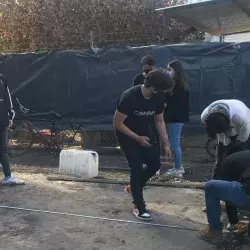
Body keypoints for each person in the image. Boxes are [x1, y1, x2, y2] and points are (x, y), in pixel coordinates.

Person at [114, 68, 173, 221]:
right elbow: (118, 123)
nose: (164, 92)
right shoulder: (129, 97)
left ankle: (133, 188)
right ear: (153, 86)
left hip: (147, 134)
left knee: (154, 165)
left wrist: (166, 144)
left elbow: (159, 120)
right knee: (137, 167)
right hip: (127, 135)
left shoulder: (159, 97)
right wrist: (137, 138)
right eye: (162, 89)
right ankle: (138, 206)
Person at [199, 150, 250, 243]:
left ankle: (214, 231)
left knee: (211, 187)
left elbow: (229, 200)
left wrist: (233, 222)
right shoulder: (244, 158)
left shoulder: (228, 162)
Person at [201, 99, 250, 180]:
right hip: (225, 126)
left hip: (245, 128)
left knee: (241, 154)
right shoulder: (204, 116)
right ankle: (217, 180)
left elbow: (243, 136)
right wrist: (224, 145)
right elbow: (217, 134)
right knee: (221, 156)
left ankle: (241, 181)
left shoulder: (240, 117)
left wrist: (236, 145)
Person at [163, 60, 189, 177]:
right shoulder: (181, 84)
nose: (168, 72)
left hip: (176, 119)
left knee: (175, 144)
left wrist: (165, 104)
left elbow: (171, 103)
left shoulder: (177, 87)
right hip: (177, 118)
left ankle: (178, 169)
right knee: (175, 143)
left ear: (175, 71)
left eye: (169, 70)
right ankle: (178, 167)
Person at [0, 74, 24, 185]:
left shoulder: (2, 79)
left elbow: (7, 99)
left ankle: (8, 176)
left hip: (2, 121)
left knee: (3, 149)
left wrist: (10, 116)